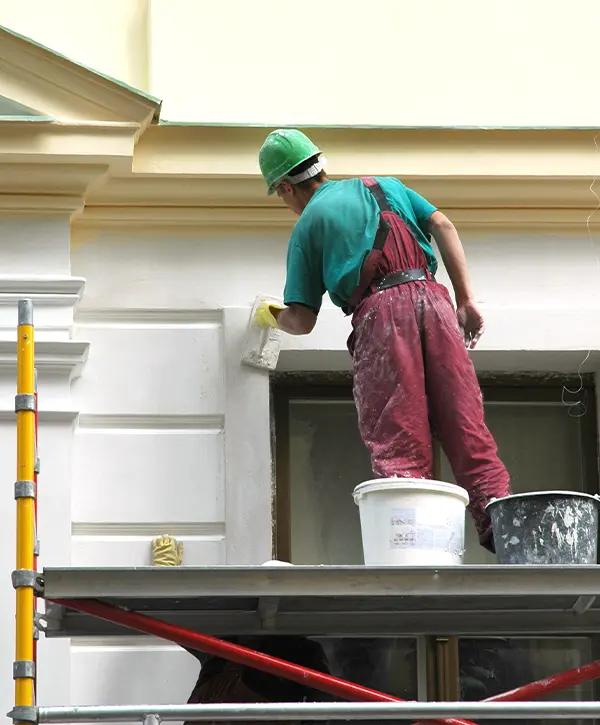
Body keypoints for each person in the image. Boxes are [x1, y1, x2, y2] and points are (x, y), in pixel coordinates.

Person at [255, 129, 511, 552]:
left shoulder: (309, 225)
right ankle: (504, 529)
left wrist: (270, 315)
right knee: (465, 423)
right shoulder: (386, 186)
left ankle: (414, 551)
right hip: (436, 300)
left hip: (381, 314)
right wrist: (465, 300)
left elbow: (302, 321)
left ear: (285, 187)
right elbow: (443, 224)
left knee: (399, 435)